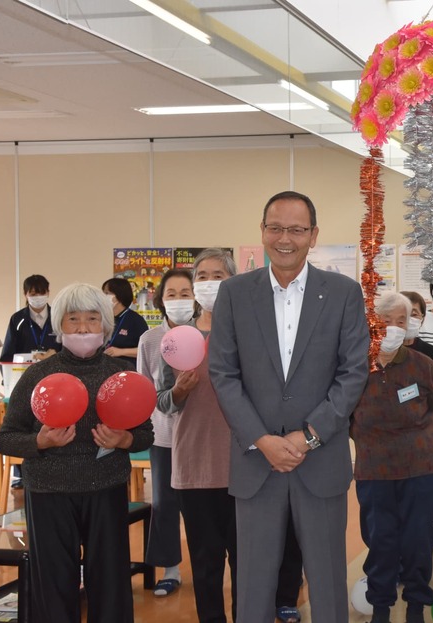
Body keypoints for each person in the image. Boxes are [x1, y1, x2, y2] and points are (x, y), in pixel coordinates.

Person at [209, 190, 370, 623]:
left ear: (313, 235)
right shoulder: (234, 294)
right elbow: (223, 374)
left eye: (296, 230)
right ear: (262, 232)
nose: (285, 238)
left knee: (328, 584)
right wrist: (262, 439)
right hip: (256, 463)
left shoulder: (342, 293)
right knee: (253, 583)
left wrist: (309, 435)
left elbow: (353, 373)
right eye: (276, 228)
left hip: (319, 463)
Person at [0, 282, 154, 623]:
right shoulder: (39, 375)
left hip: (106, 490)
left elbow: (145, 434)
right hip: (49, 493)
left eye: (93, 319)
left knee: (110, 582)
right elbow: (5, 438)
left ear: (105, 325)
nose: (83, 328)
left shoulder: (121, 375)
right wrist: (40, 442)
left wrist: (124, 440)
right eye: (73, 319)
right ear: (59, 326)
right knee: (52, 583)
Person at [351, 291, 433, 623]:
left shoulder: (424, 365)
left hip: (423, 467)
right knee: (381, 540)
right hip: (374, 469)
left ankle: (417, 605)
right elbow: (347, 419)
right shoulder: (356, 367)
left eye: (401, 321)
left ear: (410, 325)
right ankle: (380, 606)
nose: (393, 327)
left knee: (419, 539)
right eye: (385, 321)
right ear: (372, 325)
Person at [158, 249, 238, 622]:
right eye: (202, 276)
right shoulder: (178, 340)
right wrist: (179, 392)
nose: (209, 283)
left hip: (246, 466)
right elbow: (162, 401)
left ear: (233, 280)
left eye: (217, 275)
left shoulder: (248, 334)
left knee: (247, 565)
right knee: (205, 567)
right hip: (194, 468)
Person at [137, 268, 194, 597]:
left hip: (201, 438)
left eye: (184, 293)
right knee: (164, 504)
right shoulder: (150, 340)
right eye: (171, 294)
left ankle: (210, 564)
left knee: (204, 506)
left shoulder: (207, 334)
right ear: (161, 300)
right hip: (164, 437)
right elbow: (144, 391)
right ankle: (170, 569)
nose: (178, 300)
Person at [0, 274, 61, 366]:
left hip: (54, 373)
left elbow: (68, 349)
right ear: (25, 294)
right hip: (25, 373)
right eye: (33, 294)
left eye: (42, 293)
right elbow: (7, 355)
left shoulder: (58, 317)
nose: (38, 297)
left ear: (48, 293)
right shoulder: (17, 319)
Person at [102, 277, 150, 366]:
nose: (103, 297)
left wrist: (121, 352)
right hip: (105, 368)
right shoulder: (103, 318)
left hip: (127, 369)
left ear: (119, 295)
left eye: (107, 293)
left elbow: (147, 350)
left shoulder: (135, 320)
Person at [401, 290, 433, 371]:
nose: (408, 319)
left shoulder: (430, 352)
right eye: (403, 314)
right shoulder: (385, 351)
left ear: (422, 318)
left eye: (414, 314)